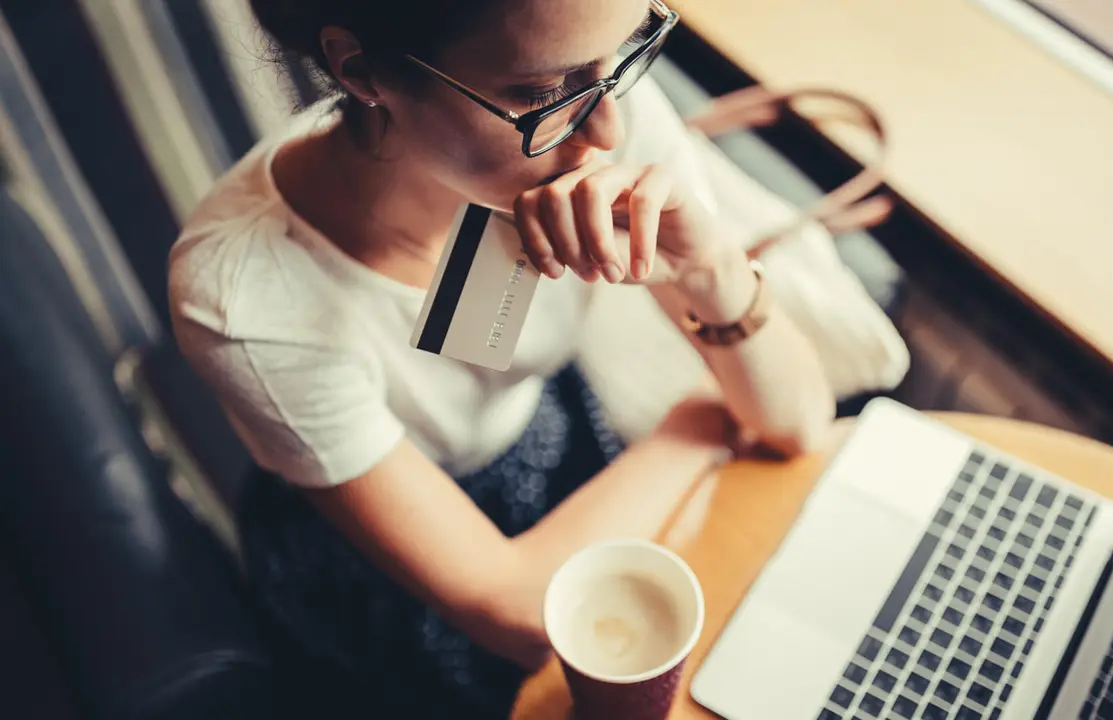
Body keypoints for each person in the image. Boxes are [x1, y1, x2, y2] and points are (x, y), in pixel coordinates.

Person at [168, 0, 837, 716]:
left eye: (626, 50)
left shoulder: (600, 112)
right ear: (361, 71)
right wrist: (699, 423)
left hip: (546, 438)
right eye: (544, 92)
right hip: (386, 561)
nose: (611, 127)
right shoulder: (245, 303)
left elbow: (798, 422)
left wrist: (712, 269)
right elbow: (521, 616)